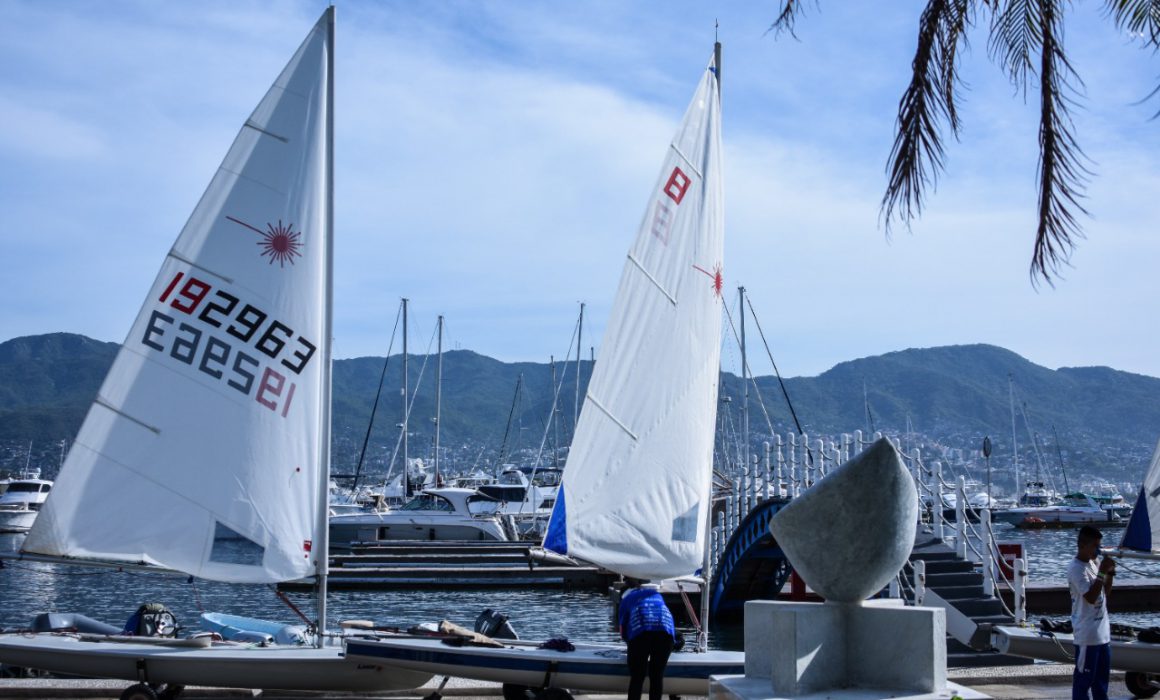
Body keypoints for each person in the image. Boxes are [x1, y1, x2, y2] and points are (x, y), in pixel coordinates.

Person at [1068, 525, 1115, 700]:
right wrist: (1102, 571)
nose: (1098, 550)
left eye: (1099, 545)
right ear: (1082, 545)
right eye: (1095, 546)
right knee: (1083, 681)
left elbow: (1106, 592)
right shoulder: (1076, 568)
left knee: (1101, 683)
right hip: (1087, 635)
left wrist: (1109, 573)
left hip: (1102, 634)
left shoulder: (1094, 563)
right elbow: (1090, 597)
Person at [618, 580, 677, 700]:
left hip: (641, 632)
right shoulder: (655, 594)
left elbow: (623, 631)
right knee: (656, 675)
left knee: (637, 677)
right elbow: (664, 616)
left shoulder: (626, 600)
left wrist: (631, 647)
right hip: (666, 633)